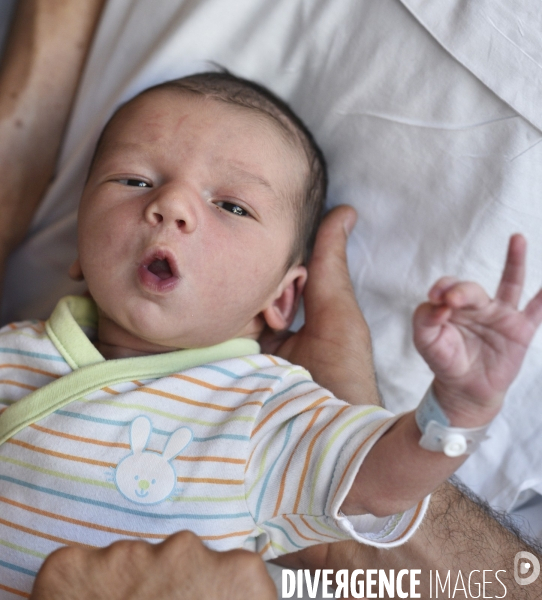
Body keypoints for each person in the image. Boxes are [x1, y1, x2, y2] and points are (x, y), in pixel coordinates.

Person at [1, 70, 541, 597]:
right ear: (79, 247)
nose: (171, 206)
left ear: (281, 298)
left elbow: (378, 487)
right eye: (135, 180)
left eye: (232, 206)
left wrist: (458, 409)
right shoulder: (12, 352)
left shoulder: (263, 410)